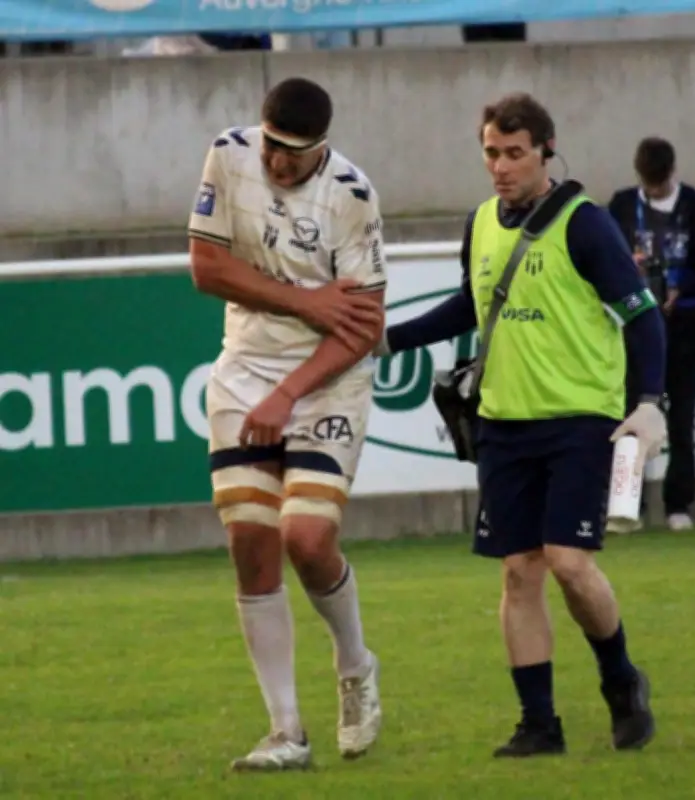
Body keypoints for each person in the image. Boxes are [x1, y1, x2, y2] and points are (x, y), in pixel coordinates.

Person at [376, 92, 667, 756]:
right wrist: (388, 339)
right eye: (490, 153)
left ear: (544, 150)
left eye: (514, 153)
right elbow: (468, 304)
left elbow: (642, 315)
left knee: (568, 563)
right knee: (517, 573)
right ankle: (539, 724)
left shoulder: (585, 224)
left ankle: (619, 679)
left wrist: (649, 400)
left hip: (578, 420)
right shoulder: (479, 222)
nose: (500, 166)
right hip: (502, 423)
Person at [188, 77, 386, 771]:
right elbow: (206, 267)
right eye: (272, 146)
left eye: (293, 155)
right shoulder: (227, 154)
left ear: (321, 148)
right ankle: (286, 732)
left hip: (326, 383)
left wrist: (290, 393)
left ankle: (356, 664)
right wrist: (304, 301)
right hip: (244, 372)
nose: (277, 163)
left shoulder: (354, 196)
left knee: (305, 537)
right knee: (250, 539)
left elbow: (363, 327)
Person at [608, 138, 695, 531]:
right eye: (647, 185)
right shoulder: (622, 207)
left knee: (683, 416)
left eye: (658, 184)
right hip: (638, 324)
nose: (653, 191)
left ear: (671, 173)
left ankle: (679, 504)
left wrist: (679, 287)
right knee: (630, 416)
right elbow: (605, 263)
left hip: (685, 325)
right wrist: (629, 264)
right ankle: (627, 504)